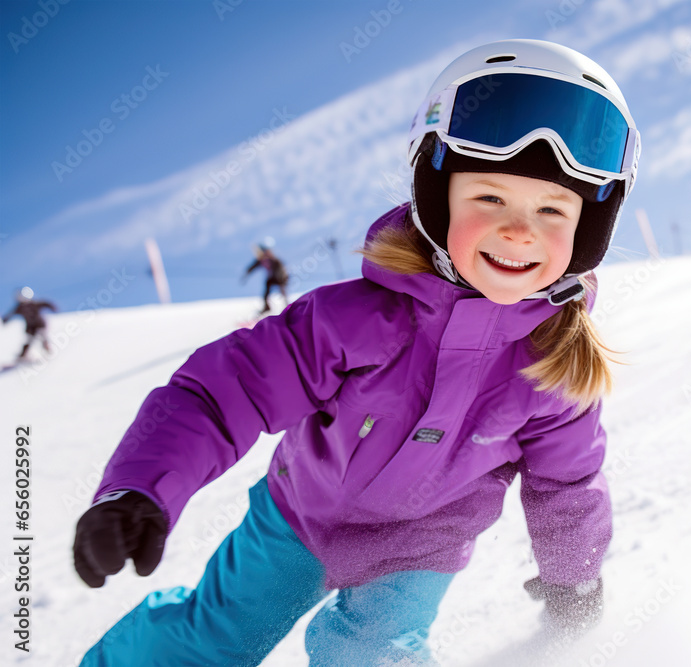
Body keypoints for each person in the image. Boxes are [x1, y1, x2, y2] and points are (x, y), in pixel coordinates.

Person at [72, 39, 640, 666]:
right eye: (489, 197)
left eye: (553, 209)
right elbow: (222, 392)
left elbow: (568, 481)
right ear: (435, 193)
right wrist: (138, 488)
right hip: (297, 519)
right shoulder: (353, 320)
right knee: (213, 639)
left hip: (421, 549)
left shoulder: (554, 365)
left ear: (589, 230)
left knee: (372, 656)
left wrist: (574, 576)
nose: (519, 229)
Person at [2, 287, 56, 360]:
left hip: (40, 324)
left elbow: (45, 303)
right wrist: (6, 319)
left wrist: (52, 307)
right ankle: (23, 355)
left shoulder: (34, 304)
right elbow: (11, 313)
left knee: (43, 336)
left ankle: (48, 350)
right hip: (31, 327)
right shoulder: (20, 307)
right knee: (29, 340)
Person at [241, 237, 289, 313]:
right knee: (266, 289)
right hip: (272, 278)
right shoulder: (261, 260)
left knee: (282, 291)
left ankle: (287, 306)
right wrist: (246, 274)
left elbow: (281, 269)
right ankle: (267, 306)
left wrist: (281, 277)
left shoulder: (274, 260)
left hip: (281, 277)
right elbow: (252, 267)